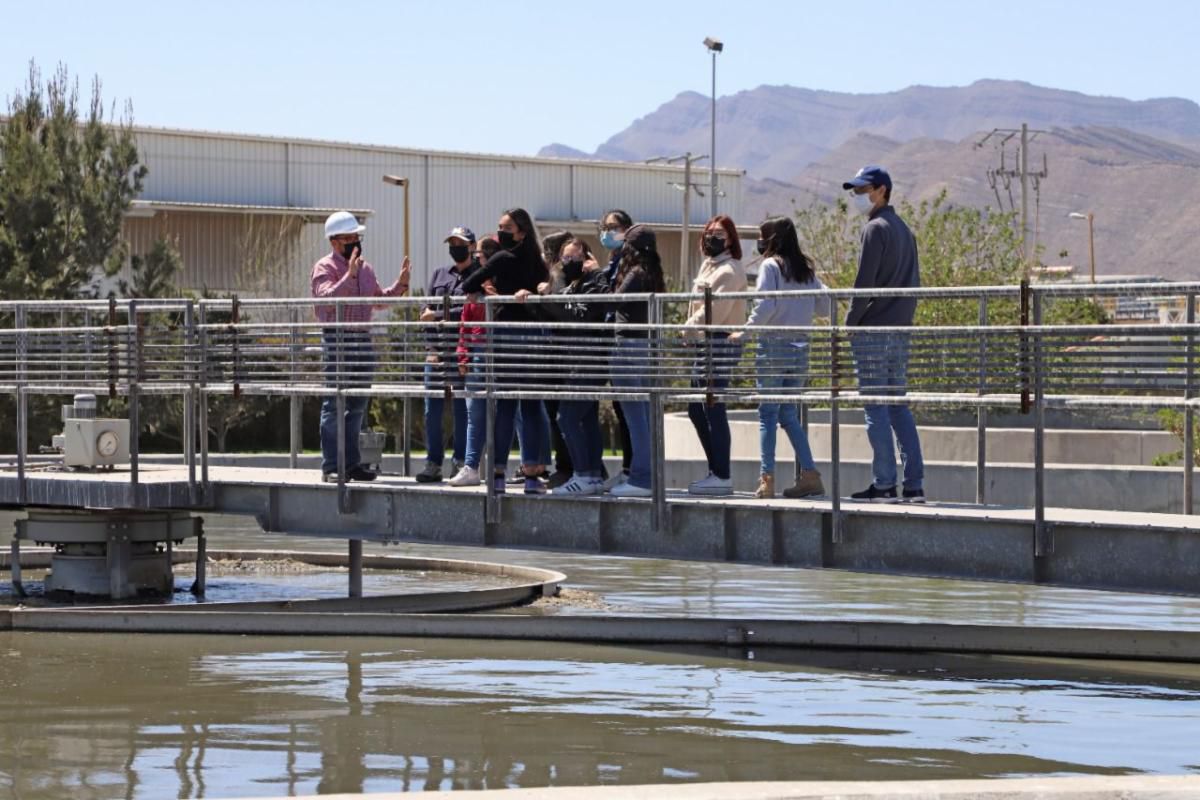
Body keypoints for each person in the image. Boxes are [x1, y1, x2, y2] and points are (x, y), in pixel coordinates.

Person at [842, 165, 925, 503]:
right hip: (899, 330)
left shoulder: (875, 229)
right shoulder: (905, 230)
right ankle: (914, 484)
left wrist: (850, 322)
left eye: (863, 191)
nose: (858, 197)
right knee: (896, 406)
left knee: (875, 406)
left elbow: (865, 283)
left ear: (881, 190)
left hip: (874, 330)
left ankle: (885, 483)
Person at [310, 211, 410, 482]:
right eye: (349, 238)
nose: (355, 242)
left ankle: (352, 464)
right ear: (334, 242)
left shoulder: (366, 268)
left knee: (356, 405)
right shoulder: (324, 268)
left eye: (357, 237)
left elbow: (377, 300)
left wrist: (400, 285)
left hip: (362, 340)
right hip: (337, 340)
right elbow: (325, 301)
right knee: (334, 404)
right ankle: (332, 466)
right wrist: (348, 276)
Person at [462, 208, 549, 495]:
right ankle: (532, 476)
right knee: (532, 405)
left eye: (506, 228)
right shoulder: (538, 260)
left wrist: (492, 290)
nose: (501, 232)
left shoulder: (502, 258)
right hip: (534, 336)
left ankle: (497, 473)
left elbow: (469, 284)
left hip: (508, 335)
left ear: (521, 231)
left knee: (508, 405)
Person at [742, 216, 829, 499]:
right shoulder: (806, 269)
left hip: (773, 347)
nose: (759, 242)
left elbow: (766, 304)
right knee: (789, 414)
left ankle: (766, 480)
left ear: (772, 240)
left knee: (768, 414)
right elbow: (824, 306)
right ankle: (810, 474)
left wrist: (745, 332)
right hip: (801, 348)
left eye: (762, 237)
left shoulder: (771, 266)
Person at [532, 236, 610, 495]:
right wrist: (541, 296)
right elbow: (556, 309)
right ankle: (593, 476)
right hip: (574, 362)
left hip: (590, 362)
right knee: (586, 420)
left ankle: (583, 473)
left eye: (575, 258)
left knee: (566, 417)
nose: (568, 263)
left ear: (587, 259)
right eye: (565, 258)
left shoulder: (593, 284)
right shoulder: (573, 287)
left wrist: (597, 273)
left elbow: (580, 314)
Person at [682, 215, 747, 496]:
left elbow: (716, 311)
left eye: (719, 233)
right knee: (697, 409)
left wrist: (688, 328)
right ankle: (715, 471)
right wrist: (692, 333)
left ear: (731, 238)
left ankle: (721, 474)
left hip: (719, 341)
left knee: (712, 407)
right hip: (705, 341)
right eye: (709, 232)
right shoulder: (710, 266)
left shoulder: (729, 270)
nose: (712, 237)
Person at [415, 226, 479, 484]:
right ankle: (433, 463)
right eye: (452, 243)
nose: (456, 247)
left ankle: (461, 462)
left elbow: (467, 309)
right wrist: (431, 348)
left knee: (463, 408)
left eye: (460, 243)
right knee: (433, 410)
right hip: (437, 353)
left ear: (472, 246)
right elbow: (425, 307)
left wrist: (438, 315)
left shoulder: (478, 275)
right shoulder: (439, 274)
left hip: (463, 352)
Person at [608, 224, 665, 498]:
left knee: (635, 417)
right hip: (645, 347)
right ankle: (647, 476)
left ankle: (642, 479)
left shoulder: (636, 272)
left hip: (628, 346)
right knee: (641, 414)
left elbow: (615, 302)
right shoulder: (652, 273)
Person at [448, 236, 501, 487]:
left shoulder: (504, 281)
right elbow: (465, 324)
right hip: (476, 353)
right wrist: (462, 354)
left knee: (512, 413)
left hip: (500, 353)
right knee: (474, 413)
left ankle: (523, 466)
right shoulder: (475, 284)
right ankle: (471, 466)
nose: (474, 256)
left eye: (478, 253)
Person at [598, 209, 636, 491]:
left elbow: (612, 299)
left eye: (613, 227)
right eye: (605, 227)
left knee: (632, 410)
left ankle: (635, 470)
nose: (608, 232)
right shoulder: (612, 261)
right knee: (621, 408)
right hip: (612, 341)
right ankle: (627, 468)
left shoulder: (630, 263)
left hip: (629, 341)